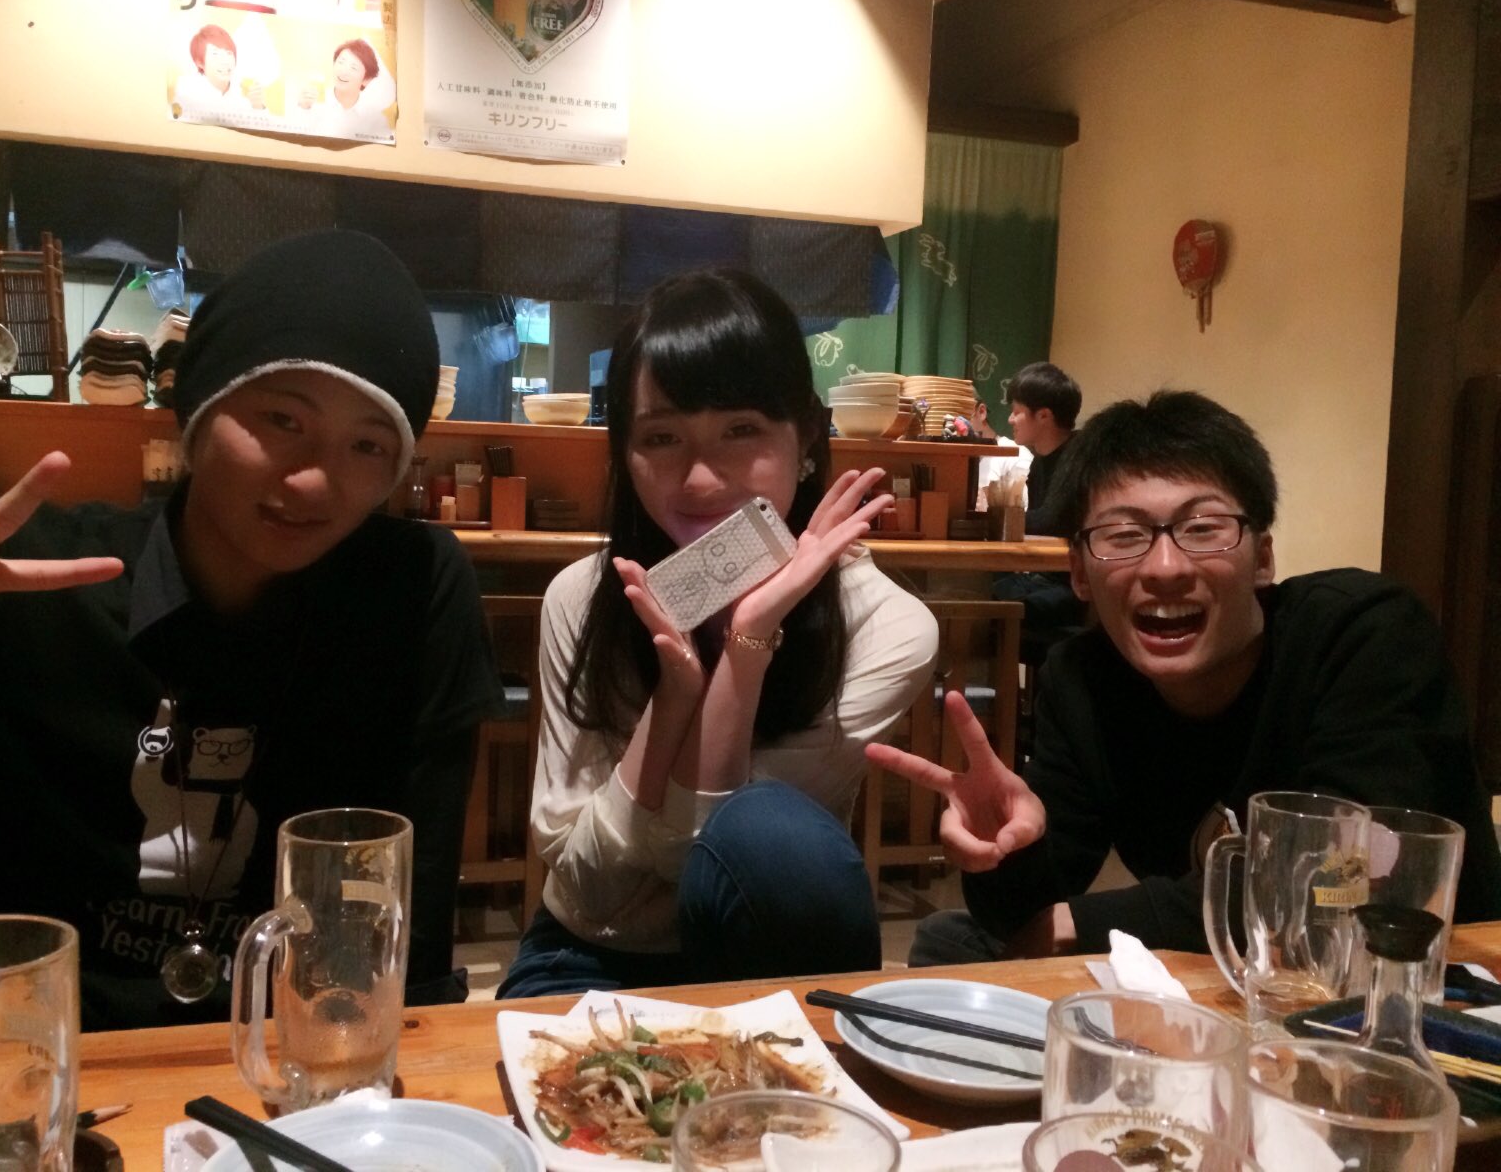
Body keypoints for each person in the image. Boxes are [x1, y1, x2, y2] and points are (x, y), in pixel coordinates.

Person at [0, 230, 501, 1029]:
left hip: (291, 1053)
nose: (315, 479)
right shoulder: (28, 577)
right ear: (194, 411)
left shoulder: (411, 590)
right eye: (282, 418)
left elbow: (415, 915)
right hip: (33, 1052)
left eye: (368, 444)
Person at [872, 390, 1501, 965]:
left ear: (1263, 558)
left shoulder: (1361, 635)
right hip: (1228, 977)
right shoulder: (1086, 680)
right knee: (949, 938)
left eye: (1202, 529)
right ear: (1080, 574)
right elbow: (1025, 915)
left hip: (1423, 991)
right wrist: (1001, 851)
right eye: (1124, 535)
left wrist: (1081, 923)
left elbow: (1352, 884)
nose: (1166, 567)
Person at [498, 269, 939, 998]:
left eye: (741, 430)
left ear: (806, 436)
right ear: (624, 453)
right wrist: (673, 697)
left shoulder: (884, 626)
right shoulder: (583, 597)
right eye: (661, 437)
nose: (699, 479)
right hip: (587, 955)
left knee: (770, 831)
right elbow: (587, 887)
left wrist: (747, 643)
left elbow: (726, 854)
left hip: (766, 959)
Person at [991, 361, 1085, 658]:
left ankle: (1007, 689)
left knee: (994, 611)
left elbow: (1050, 520)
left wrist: (992, 518)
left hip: (1073, 586)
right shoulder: (1040, 460)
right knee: (975, 590)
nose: (1010, 419)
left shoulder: (1079, 457)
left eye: (1017, 411)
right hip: (1042, 576)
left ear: (1043, 415)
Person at [297, 39, 393, 140]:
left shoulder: (375, 119)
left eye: (353, 68)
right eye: (341, 62)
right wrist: (303, 108)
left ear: (366, 79)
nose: (343, 71)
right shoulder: (313, 103)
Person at [173, 25, 265, 121]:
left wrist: (258, 107)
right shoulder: (187, 91)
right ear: (200, 63)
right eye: (215, 54)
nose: (225, 61)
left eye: (229, 53)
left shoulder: (244, 93)